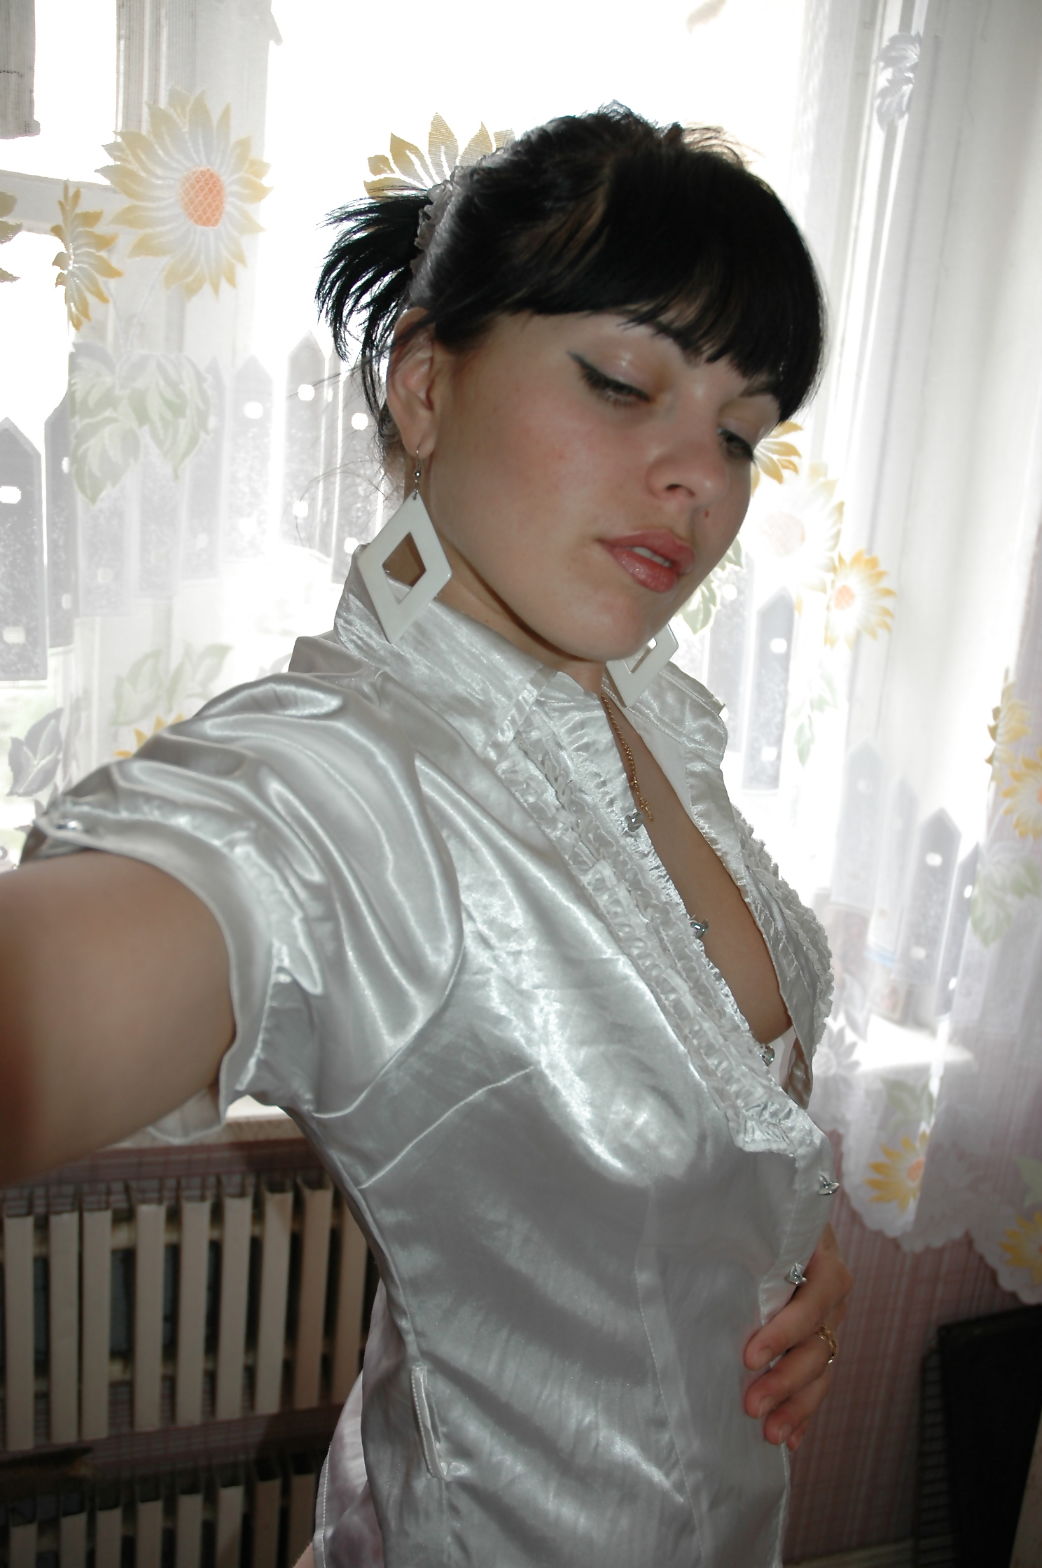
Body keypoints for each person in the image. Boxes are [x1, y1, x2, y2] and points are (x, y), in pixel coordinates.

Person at [0, 106, 851, 1567]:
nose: (700, 479)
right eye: (621, 383)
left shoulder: (644, 716)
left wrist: (775, 1242)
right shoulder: (342, 777)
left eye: (740, 432)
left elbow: (692, 1105)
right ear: (424, 386)